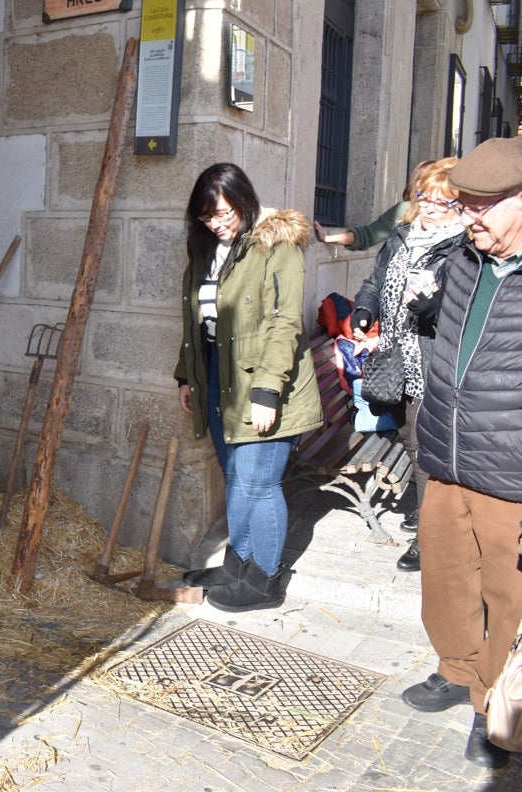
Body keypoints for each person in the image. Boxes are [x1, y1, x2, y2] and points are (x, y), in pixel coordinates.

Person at [400, 136, 522, 770]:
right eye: (464, 203)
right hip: (446, 453)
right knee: (447, 577)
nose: (468, 217)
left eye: (482, 206)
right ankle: (456, 666)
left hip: (510, 467)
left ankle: (494, 706)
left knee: (509, 595)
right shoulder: (465, 260)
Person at [175, 163, 322, 612]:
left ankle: (266, 580)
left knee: (259, 482)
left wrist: (267, 391)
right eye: (207, 217)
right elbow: (197, 319)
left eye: (224, 213)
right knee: (237, 477)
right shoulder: (207, 248)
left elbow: (285, 321)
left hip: (262, 379)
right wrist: (188, 375)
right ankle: (239, 564)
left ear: (244, 200)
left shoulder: (276, 241)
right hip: (221, 375)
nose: (217, 223)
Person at [348, 158, 466, 573]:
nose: (431, 208)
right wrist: (364, 309)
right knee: (410, 439)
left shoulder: (463, 247)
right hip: (393, 359)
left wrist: (434, 308)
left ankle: (428, 540)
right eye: (425, 198)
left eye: (442, 201)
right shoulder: (402, 235)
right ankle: (428, 513)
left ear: (458, 203)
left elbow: (463, 309)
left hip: (430, 364)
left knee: (422, 450)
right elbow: (376, 282)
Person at [313, 160, 436, 250]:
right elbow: (369, 234)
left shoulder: (451, 213)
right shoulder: (407, 210)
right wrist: (327, 238)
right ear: (418, 184)